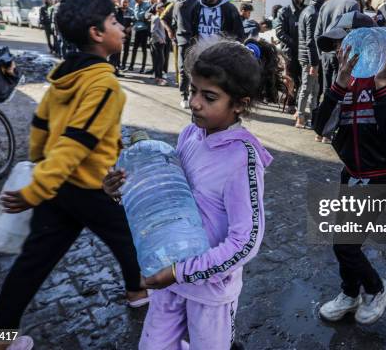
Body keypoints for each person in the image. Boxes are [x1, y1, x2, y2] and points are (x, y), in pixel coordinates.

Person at [0, 0, 149, 350]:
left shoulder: (63, 77)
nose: (123, 27)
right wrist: (34, 190)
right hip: (90, 187)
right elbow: (74, 144)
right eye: (115, 22)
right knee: (129, 238)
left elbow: (40, 131)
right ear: (97, 33)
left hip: (57, 189)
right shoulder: (104, 84)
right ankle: (137, 291)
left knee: (33, 263)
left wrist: (41, 177)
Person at [103, 38, 278, 350]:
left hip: (210, 293)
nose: (195, 102)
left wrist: (179, 272)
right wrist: (122, 193)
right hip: (171, 279)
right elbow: (167, 199)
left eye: (209, 97)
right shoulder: (189, 134)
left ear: (239, 103)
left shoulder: (243, 159)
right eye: (193, 90)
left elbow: (246, 242)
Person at [313, 16, 386, 326]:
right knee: (341, 243)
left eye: (347, 43)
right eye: (340, 46)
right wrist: (338, 85)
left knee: (346, 245)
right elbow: (320, 126)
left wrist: (381, 85)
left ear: (370, 43)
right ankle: (350, 293)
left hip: (379, 177)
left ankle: (378, 289)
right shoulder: (345, 78)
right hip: (351, 173)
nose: (342, 51)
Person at [296, 0, 332, 133]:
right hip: (310, 57)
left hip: (307, 56)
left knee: (313, 89)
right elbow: (311, 41)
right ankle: (300, 117)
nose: (329, 1)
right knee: (308, 88)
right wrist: (314, 63)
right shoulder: (313, 13)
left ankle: (310, 116)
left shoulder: (308, 10)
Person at [315, 0, 358, 91]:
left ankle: (324, 109)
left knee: (326, 89)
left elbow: (317, 33)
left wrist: (321, 54)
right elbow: (354, 34)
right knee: (338, 91)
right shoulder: (352, 4)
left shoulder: (326, 4)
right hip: (341, 55)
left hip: (325, 53)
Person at [275, 0, 306, 114]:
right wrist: (293, 42)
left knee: (302, 80)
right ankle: (290, 103)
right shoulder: (284, 11)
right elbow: (279, 32)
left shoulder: (306, 10)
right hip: (289, 52)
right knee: (291, 79)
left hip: (304, 52)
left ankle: (299, 104)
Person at [174, 0, 200, 109]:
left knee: (183, 68)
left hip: (181, 41)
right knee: (194, 69)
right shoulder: (198, 3)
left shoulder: (177, 4)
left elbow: (174, 21)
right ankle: (192, 95)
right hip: (195, 41)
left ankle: (184, 97)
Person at [128, 0, 150, 73]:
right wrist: (135, 17)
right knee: (134, 49)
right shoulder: (136, 5)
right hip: (137, 29)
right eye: (135, 0)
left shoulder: (147, 5)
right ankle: (131, 66)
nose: (137, 1)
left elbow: (144, 16)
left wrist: (139, 17)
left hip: (144, 29)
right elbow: (135, 16)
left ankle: (143, 67)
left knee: (144, 49)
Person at [150, 2, 168, 85]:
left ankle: (158, 78)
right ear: (157, 9)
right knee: (160, 61)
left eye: (164, 8)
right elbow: (153, 31)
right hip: (157, 42)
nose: (163, 9)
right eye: (161, 8)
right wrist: (160, 39)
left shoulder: (161, 18)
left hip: (161, 42)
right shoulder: (156, 18)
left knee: (160, 61)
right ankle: (159, 79)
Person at [119, 0, 135, 70]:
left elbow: (134, 20)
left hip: (128, 32)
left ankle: (123, 64)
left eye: (126, 2)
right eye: (123, 2)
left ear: (128, 3)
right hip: (118, 32)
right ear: (121, 2)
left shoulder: (131, 11)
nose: (125, 4)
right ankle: (117, 64)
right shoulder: (118, 10)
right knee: (117, 48)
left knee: (126, 49)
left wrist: (130, 27)